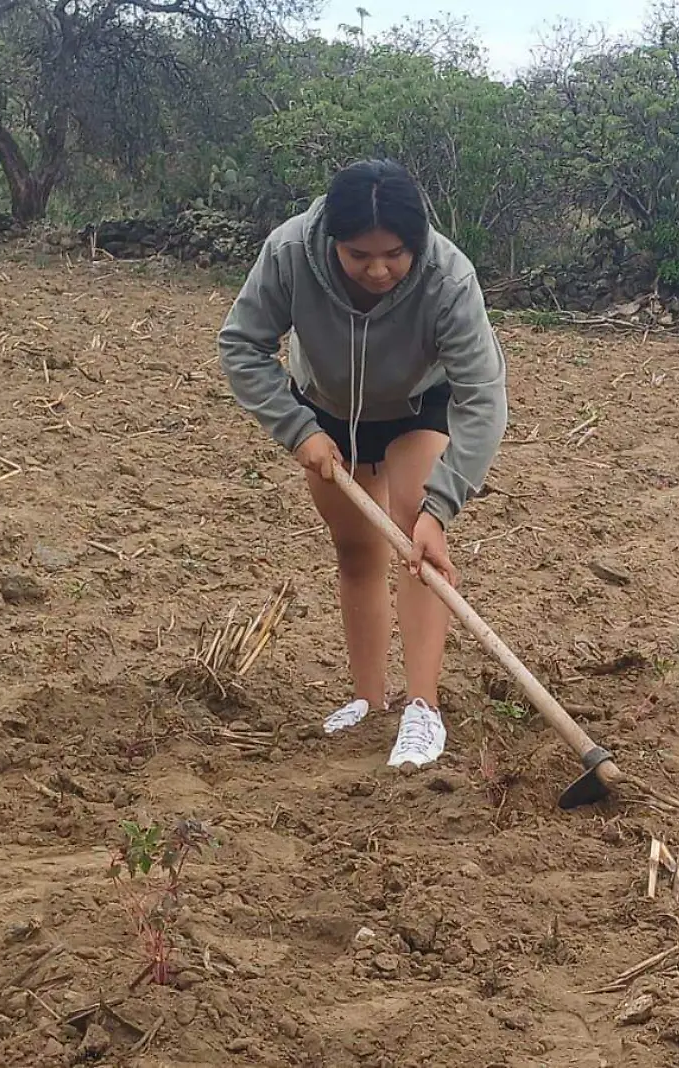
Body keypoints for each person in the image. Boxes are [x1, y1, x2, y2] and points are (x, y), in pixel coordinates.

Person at [217, 159, 507, 771]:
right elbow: (242, 343)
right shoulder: (290, 251)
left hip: (415, 404)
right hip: (324, 409)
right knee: (355, 550)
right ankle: (367, 701)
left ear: (418, 240)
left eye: (394, 254)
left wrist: (441, 506)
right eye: (359, 256)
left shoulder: (449, 276)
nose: (378, 270)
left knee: (413, 537)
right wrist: (298, 431)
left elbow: (482, 393)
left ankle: (422, 708)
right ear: (331, 243)